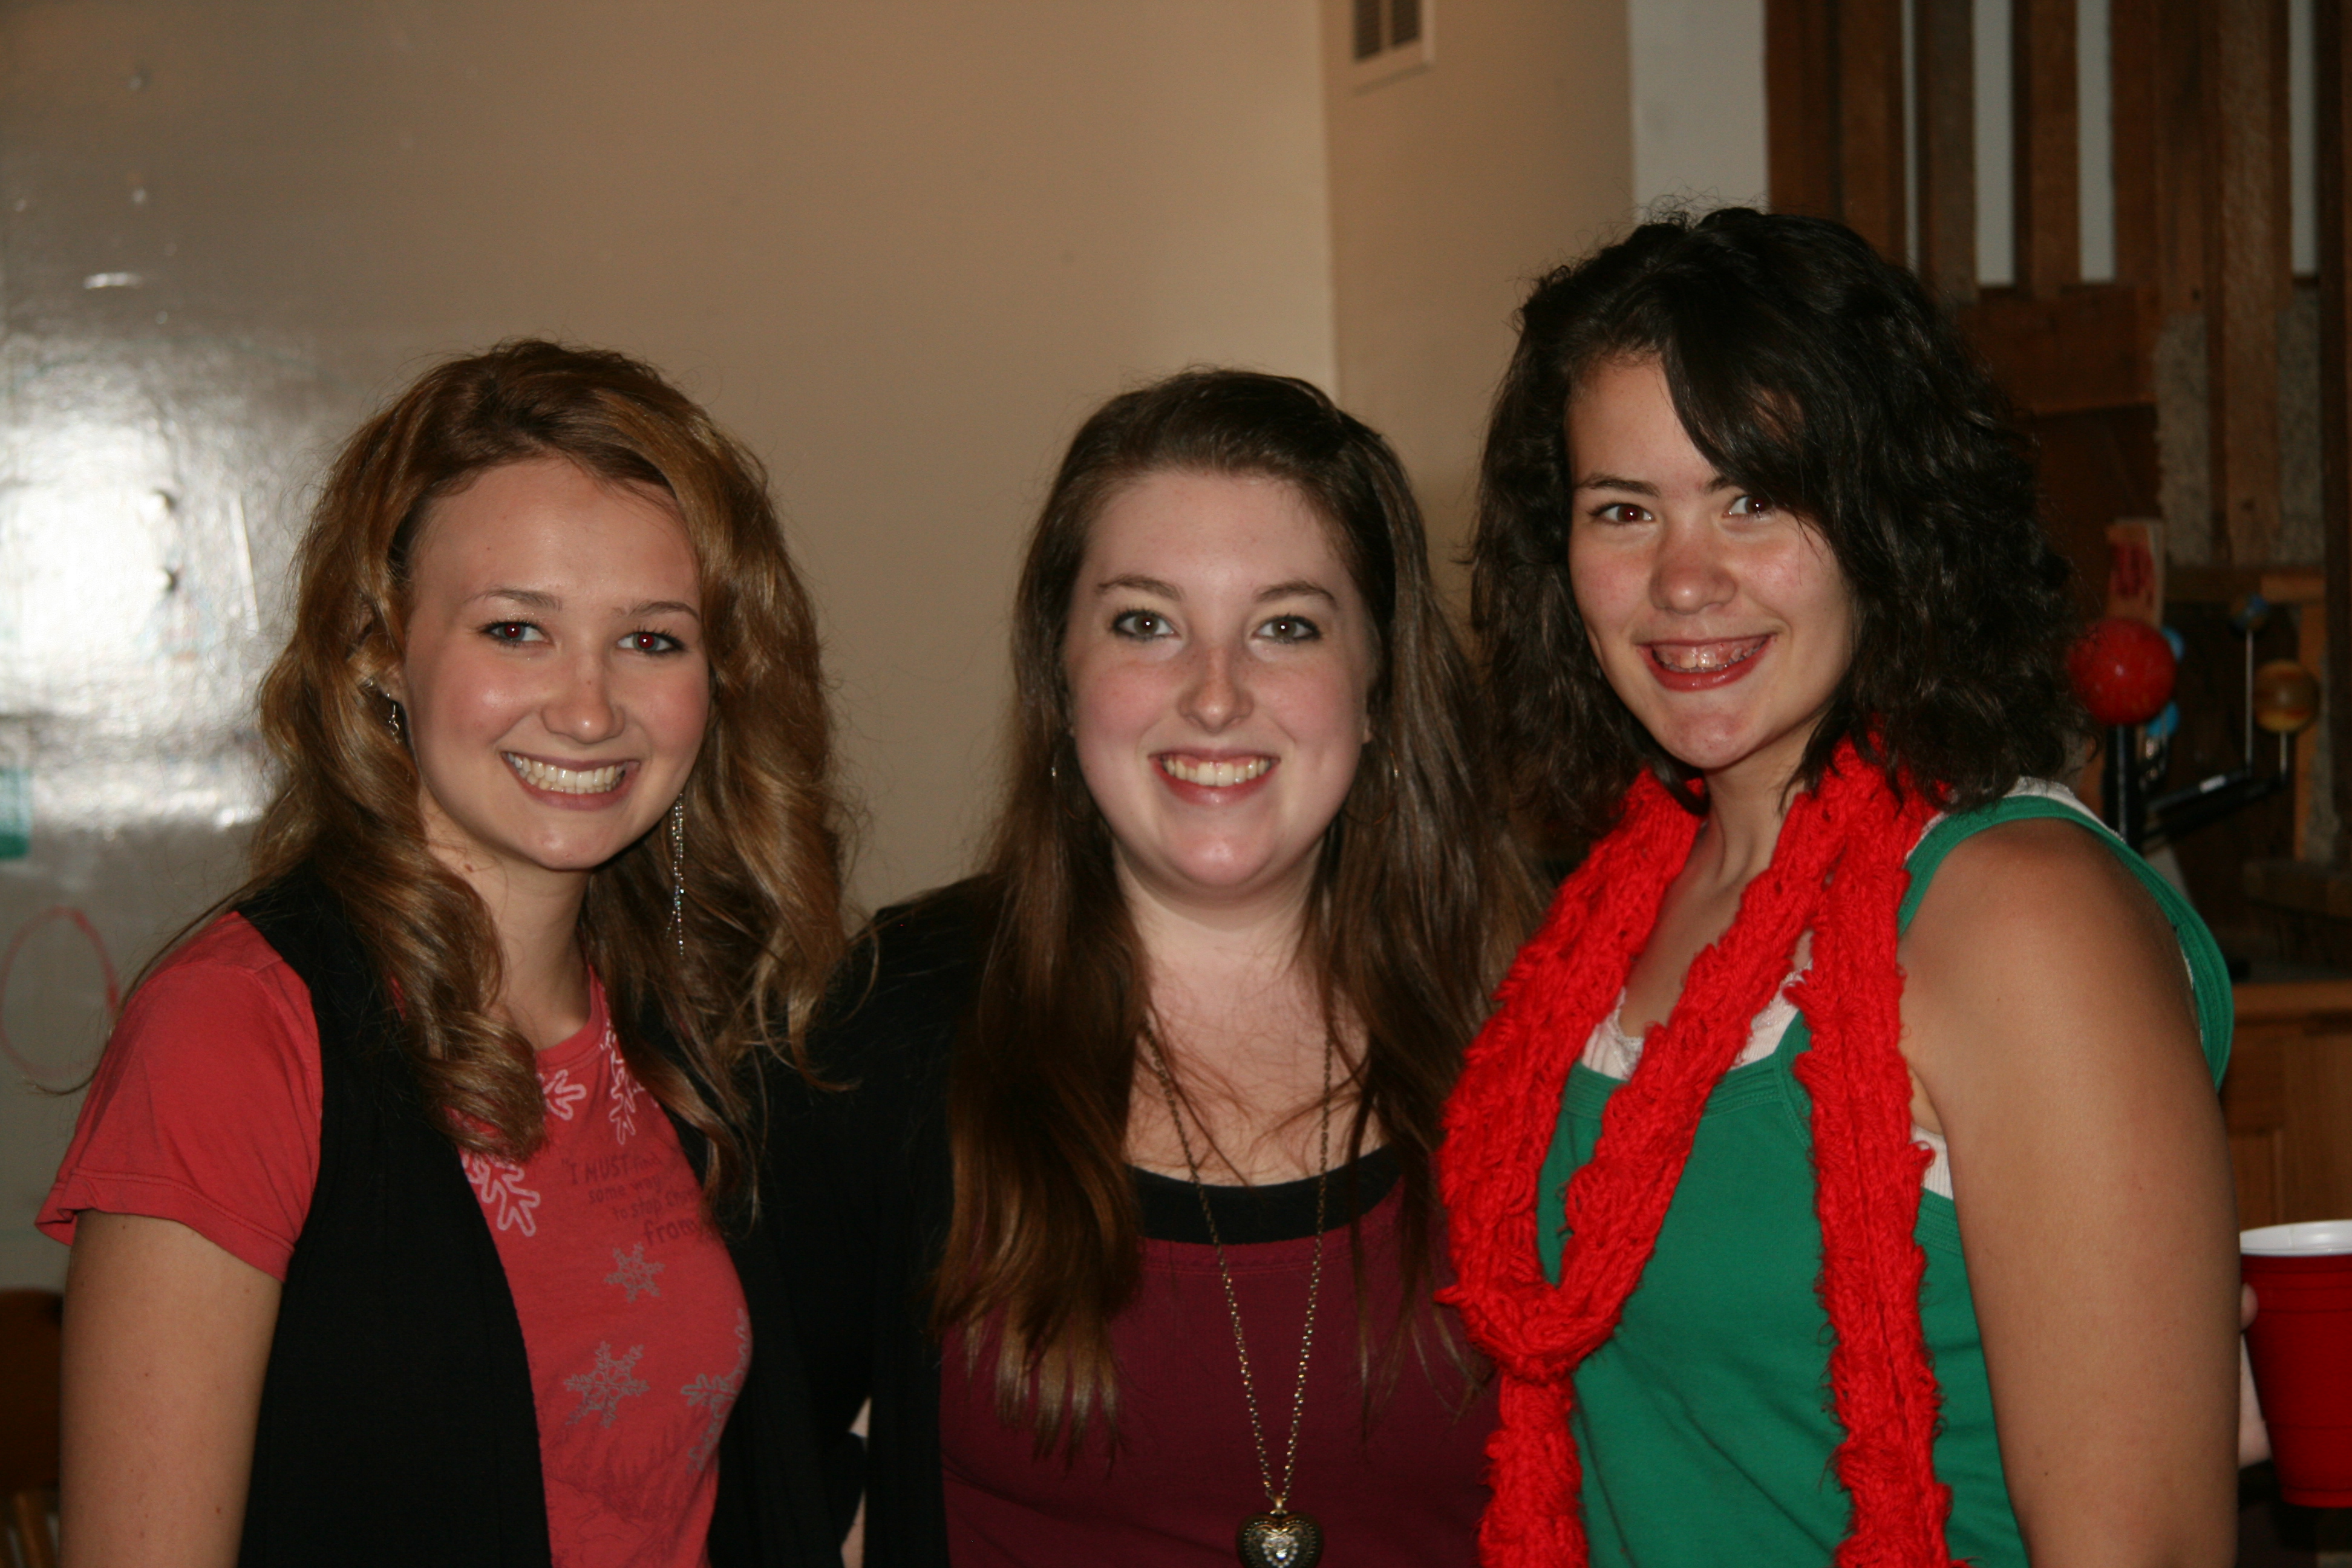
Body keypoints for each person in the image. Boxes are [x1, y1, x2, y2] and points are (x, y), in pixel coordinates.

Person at [1441, 207, 2241, 1568]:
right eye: (1623, 511)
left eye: (1755, 497)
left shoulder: (2020, 915)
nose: (1683, 581)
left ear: (1891, 518)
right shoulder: (1608, 907)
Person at [42, 341, 847, 1567]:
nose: (589, 709)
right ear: (379, 651)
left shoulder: (697, 1020)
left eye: (652, 641)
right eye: (517, 630)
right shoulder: (233, 1034)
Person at [769, 368, 1538, 1566]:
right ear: (1060, 676)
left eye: (1286, 626)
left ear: (1378, 687)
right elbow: (758, 1467)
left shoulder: (1539, 1018)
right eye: (1145, 624)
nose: (1215, 696)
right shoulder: (899, 1025)